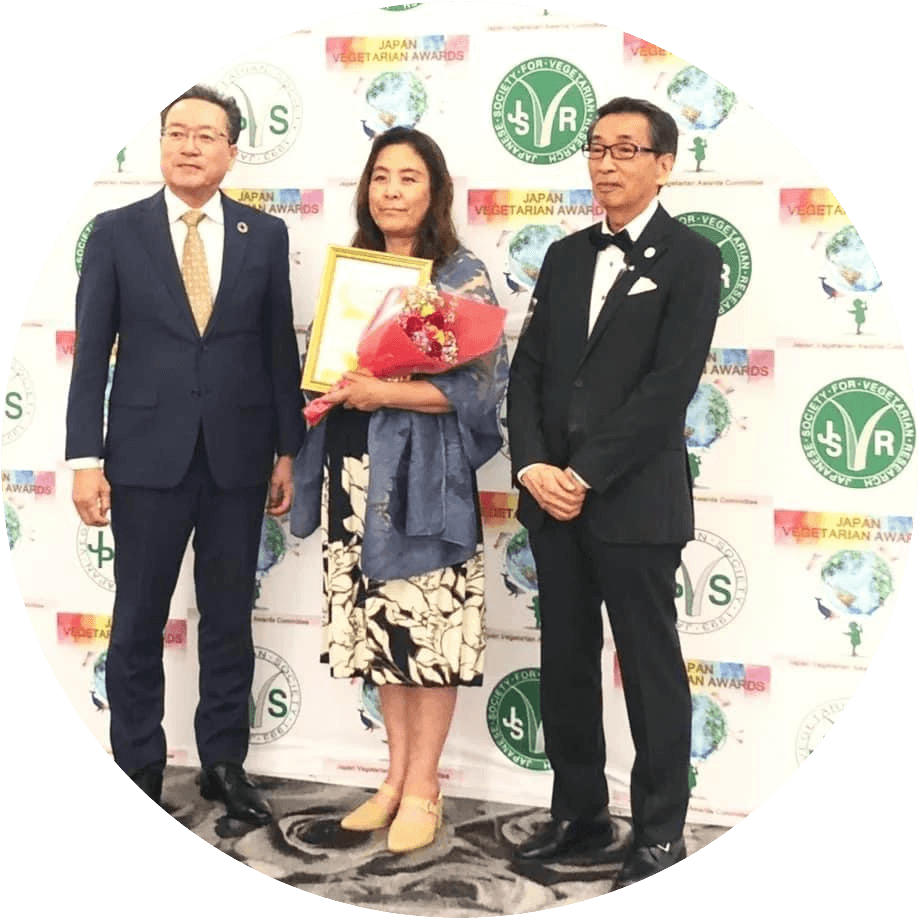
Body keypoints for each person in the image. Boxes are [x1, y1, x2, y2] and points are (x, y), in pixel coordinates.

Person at [65, 85, 304, 824]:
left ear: (231, 151)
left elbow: (277, 349)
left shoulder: (264, 235)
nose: (189, 146)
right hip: (144, 459)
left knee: (228, 617)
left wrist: (287, 450)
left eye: (206, 135)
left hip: (238, 457)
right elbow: (90, 353)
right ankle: (137, 764)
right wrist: (84, 459)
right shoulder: (116, 232)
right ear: (161, 144)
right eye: (177, 133)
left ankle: (223, 764)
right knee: (138, 617)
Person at [507, 97, 722, 887]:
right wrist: (533, 465)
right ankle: (579, 814)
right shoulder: (566, 255)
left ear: (664, 164)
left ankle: (660, 832)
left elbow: (669, 387)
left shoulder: (693, 258)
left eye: (626, 149)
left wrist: (585, 473)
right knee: (565, 662)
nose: (606, 163)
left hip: (634, 502)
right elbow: (528, 371)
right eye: (597, 147)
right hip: (551, 503)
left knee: (650, 670)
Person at [291, 126, 506, 854]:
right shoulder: (352, 270)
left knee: (430, 635)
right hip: (355, 473)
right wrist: (328, 387)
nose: (391, 191)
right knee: (384, 636)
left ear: (434, 191)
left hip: (425, 480)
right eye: (381, 176)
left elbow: (477, 393)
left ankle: (425, 788)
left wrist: (385, 391)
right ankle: (392, 779)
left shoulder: (460, 276)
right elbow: (325, 372)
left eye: (408, 178)